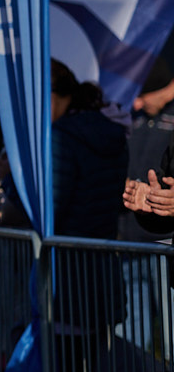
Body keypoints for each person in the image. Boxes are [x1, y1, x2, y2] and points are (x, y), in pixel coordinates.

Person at [50, 61, 127, 240]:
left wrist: (10, 178)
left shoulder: (62, 136)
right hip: (103, 254)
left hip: (66, 256)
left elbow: (49, 210)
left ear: (52, 96)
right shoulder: (110, 130)